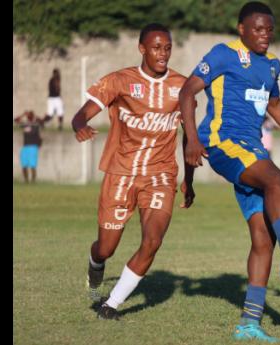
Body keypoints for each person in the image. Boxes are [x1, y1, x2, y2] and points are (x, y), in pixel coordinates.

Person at [179, 2, 280, 342]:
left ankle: (248, 323)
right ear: (241, 28)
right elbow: (187, 92)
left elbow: (273, 104)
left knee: (263, 237)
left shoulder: (272, 65)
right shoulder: (223, 54)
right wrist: (190, 140)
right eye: (258, 29)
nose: (265, 35)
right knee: (276, 178)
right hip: (223, 142)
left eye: (269, 29)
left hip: (251, 150)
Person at [71, 23, 195, 320]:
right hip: (121, 173)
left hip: (161, 175)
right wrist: (79, 126)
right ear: (142, 49)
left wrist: (188, 181)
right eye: (156, 47)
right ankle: (95, 264)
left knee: (152, 240)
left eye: (167, 47)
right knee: (106, 248)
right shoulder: (119, 81)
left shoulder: (184, 86)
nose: (162, 53)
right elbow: (83, 113)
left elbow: (190, 135)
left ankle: (110, 305)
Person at [14, 110, 44, 183]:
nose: (28, 116)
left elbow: (42, 122)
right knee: (24, 165)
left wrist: (35, 116)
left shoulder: (36, 124)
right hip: (25, 146)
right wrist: (23, 114)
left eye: (30, 115)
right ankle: (26, 181)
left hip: (33, 147)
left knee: (32, 165)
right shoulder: (25, 124)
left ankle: (33, 181)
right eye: (28, 115)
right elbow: (15, 120)